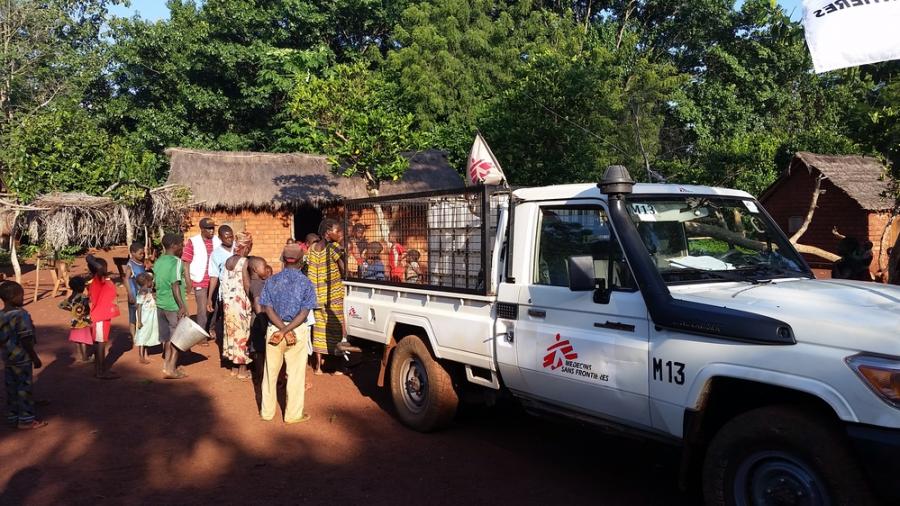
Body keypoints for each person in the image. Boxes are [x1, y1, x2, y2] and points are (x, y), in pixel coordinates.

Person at [259, 243, 318, 424]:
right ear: (301, 261)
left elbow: (267, 308)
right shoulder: (307, 283)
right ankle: (292, 415)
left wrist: (281, 330)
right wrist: (288, 330)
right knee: (295, 374)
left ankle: (267, 413)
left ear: (283, 260)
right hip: (296, 330)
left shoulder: (271, 281)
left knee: (270, 374)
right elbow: (304, 312)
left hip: (274, 330)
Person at [0, 281, 46, 429]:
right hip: (22, 357)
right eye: (21, 295)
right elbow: (26, 338)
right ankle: (26, 420)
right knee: (24, 387)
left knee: (11, 387)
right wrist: (34, 357)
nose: (23, 298)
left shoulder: (1, 315)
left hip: (7, 357)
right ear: (13, 297)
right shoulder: (21, 315)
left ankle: (13, 416)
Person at [306, 218, 347, 375]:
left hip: (316, 297)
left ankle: (318, 367)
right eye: (338, 231)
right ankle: (337, 367)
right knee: (335, 329)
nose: (340, 234)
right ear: (328, 233)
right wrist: (343, 252)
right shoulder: (334, 248)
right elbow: (344, 271)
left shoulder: (312, 248)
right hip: (333, 296)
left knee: (319, 330)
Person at [155, 233, 189, 379]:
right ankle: (171, 369)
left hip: (160, 304)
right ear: (174, 245)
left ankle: (166, 365)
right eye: (181, 244)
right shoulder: (177, 262)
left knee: (167, 338)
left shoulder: (159, 261)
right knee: (177, 338)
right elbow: (175, 285)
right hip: (173, 305)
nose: (182, 247)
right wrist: (181, 306)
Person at [221, 232, 254, 380]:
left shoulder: (228, 261)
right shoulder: (244, 262)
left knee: (231, 333)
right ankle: (242, 369)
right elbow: (247, 285)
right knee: (243, 334)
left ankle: (233, 367)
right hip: (240, 303)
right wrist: (254, 300)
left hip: (228, 304)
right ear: (246, 247)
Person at [183, 217, 221, 339]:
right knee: (202, 309)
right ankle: (201, 335)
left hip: (215, 280)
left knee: (215, 308)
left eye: (213, 228)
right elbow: (186, 263)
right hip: (200, 280)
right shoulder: (193, 242)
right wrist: (188, 281)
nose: (212, 231)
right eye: (209, 229)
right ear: (202, 229)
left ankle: (211, 328)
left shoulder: (218, 241)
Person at [86, 254, 121, 380]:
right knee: (100, 344)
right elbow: (99, 269)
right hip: (100, 317)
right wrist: (91, 260)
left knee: (101, 343)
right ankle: (100, 371)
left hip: (103, 316)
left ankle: (99, 369)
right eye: (104, 267)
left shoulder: (102, 280)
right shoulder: (97, 280)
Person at [205, 225, 235, 345]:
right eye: (226, 237)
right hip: (226, 293)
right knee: (227, 320)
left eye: (231, 236)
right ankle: (227, 346)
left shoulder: (238, 248)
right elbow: (214, 277)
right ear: (220, 238)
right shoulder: (216, 254)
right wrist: (209, 299)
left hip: (241, 291)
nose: (230, 239)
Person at [58, 276, 93, 363]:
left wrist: (71, 309)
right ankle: (85, 358)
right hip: (83, 321)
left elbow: (61, 305)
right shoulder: (83, 297)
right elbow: (88, 304)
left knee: (77, 340)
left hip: (74, 322)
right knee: (84, 340)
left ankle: (80, 357)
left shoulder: (71, 298)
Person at [248, 256, 271, 380]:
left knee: (259, 348)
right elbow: (257, 303)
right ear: (256, 269)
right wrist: (262, 322)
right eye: (264, 266)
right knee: (259, 349)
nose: (266, 267)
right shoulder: (257, 284)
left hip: (258, 319)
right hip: (259, 320)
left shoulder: (256, 282)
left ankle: (260, 374)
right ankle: (261, 375)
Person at [134, 272, 160, 365]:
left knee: (147, 334)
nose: (152, 282)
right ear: (146, 282)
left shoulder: (147, 290)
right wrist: (140, 321)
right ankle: (141, 356)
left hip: (149, 317)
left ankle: (145, 355)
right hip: (144, 317)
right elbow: (139, 306)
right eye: (150, 281)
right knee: (142, 336)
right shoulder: (143, 291)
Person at [123, 242, 146, 340]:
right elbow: (126, 279)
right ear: (133, 253)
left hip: (142, 294)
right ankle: (133, 337)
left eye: (143, 253)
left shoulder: (141, 263)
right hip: (134, 293)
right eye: (140, 253)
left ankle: (141, 335)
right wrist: (130, 294)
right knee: (133, 316)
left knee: (142, 314)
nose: (142, 255)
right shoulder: (130, 265)